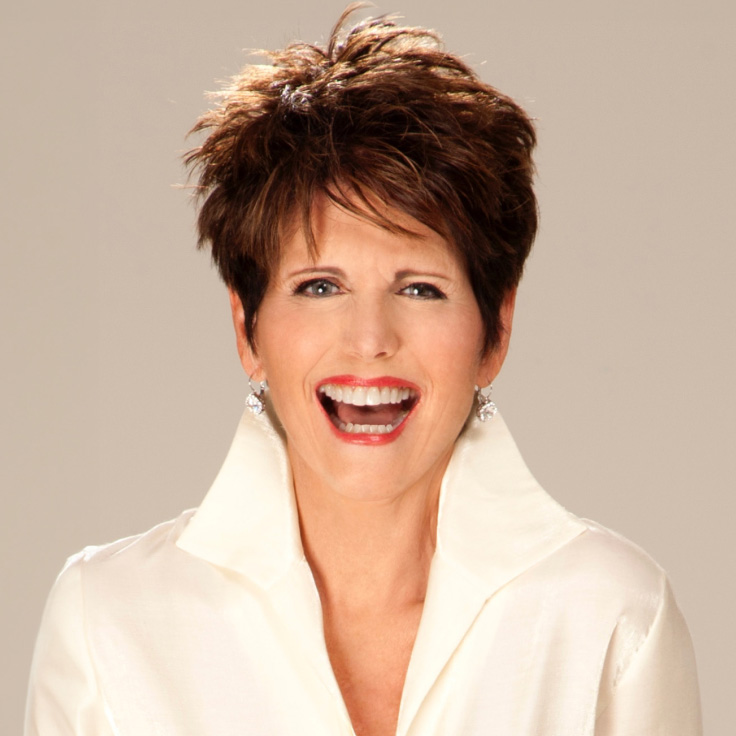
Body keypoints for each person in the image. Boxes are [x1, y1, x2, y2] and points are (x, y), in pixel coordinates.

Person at [24, 7, 702, 736]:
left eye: (420, 288)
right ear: (246, 327)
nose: (370, 339)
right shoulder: (110, 622)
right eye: (320, 286)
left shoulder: (610, 619)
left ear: (495, 330)